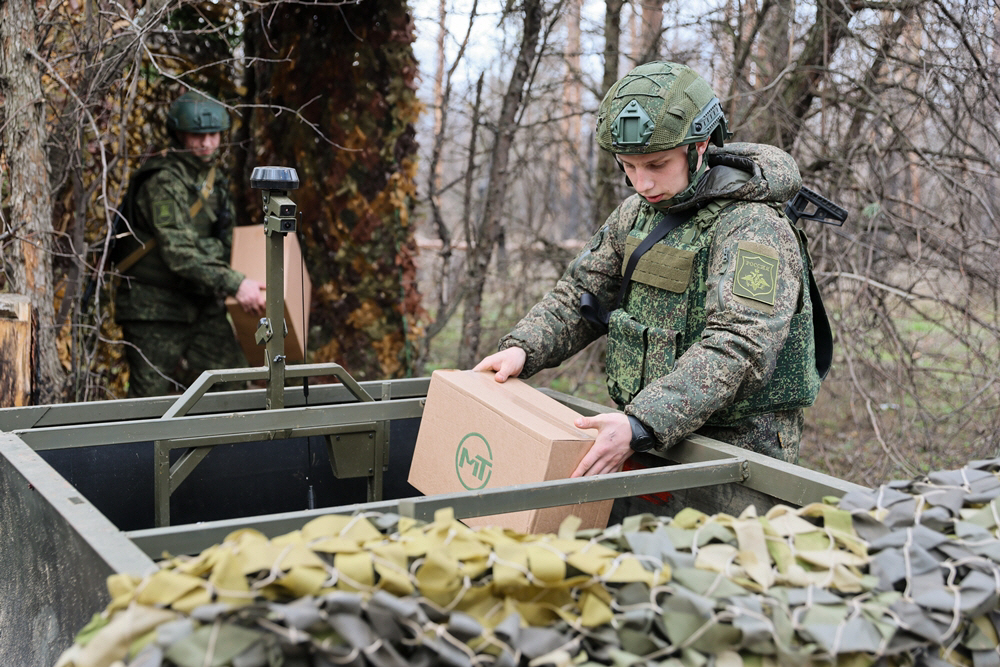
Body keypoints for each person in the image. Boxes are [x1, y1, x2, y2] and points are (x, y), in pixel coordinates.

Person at [474, 61, 824, 477]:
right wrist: (523, 348)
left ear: (699, 146)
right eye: (629, 166)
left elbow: (741, 346)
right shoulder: (638, 213)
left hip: (733, 453)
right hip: (642, 436)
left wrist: (643, 422)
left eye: (657, 165)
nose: (642, 183)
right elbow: (581, 295)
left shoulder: (753, 226)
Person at [113, 91, 266, 397]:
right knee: (149, 402)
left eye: (214, 134)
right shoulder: (163, 182)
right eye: (198, 135)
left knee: (231, 386)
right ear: (180, 134)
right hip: (154, 308)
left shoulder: (213, 180)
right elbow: (180, 254)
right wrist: (235, 283)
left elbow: (226, 245)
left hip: (201, 302)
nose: (207, 143)